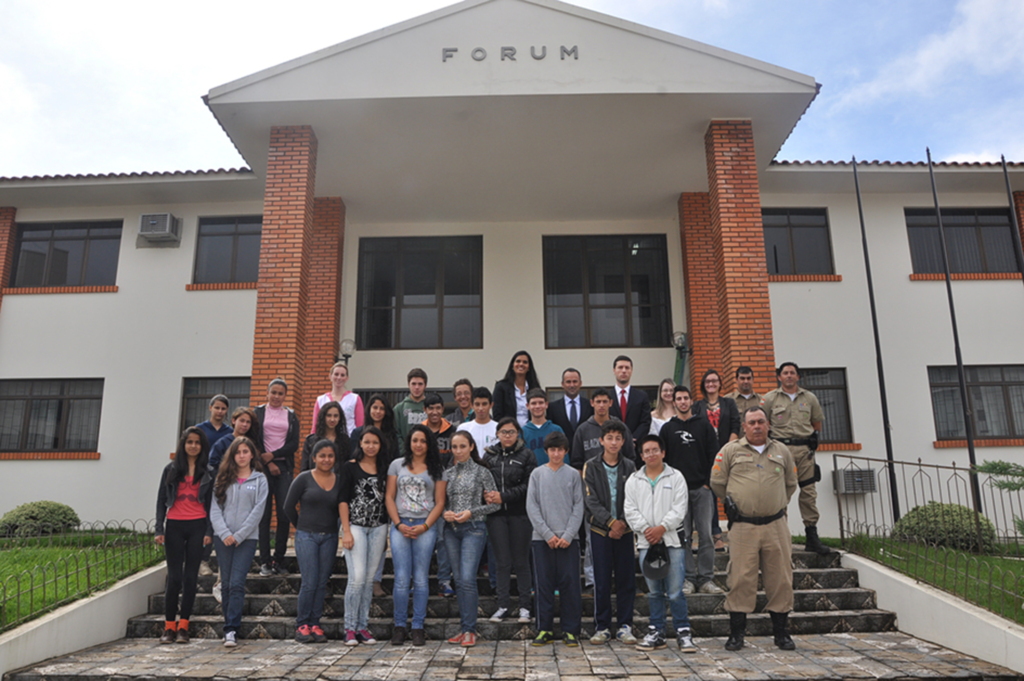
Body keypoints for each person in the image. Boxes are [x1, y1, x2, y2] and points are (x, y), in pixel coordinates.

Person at [710, 407, 798, 651]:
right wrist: (734, 502)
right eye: (752, 423)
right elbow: (717, 482)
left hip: (775, 526)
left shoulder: (782, 451)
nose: (757, 426)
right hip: (743, 526)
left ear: (768, 424)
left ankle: (781, 634)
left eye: (761, 421)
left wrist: (774, 502)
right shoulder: (730, 450)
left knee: (780, 578)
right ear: (744, 427)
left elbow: (790, 484)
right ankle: (737, 635)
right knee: (740, 578)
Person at [624, 434, 696, 653]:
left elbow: (680, 507)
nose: (651, 454)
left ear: (663, 452)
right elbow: (630, 509)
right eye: (646, 451)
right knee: (654, 592)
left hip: (672, 542)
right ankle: (656, 632)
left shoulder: (676, 477)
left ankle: (683, 632)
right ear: (641, 455)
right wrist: (647, 530)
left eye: (655, 450)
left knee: (675, 591)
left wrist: (662, 528)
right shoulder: (634, 480)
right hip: (647, 543)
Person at [385, 424, 447, 646]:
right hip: (401, 525)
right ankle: (400, 626)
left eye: (423, 441)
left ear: (428, 444)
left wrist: (426, 526)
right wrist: (398, 524)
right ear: (409, 442)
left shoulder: (437, 468)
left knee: (421, 578)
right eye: (415, 440)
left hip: (425, 527)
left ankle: (418, 626)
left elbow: (440, 502)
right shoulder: (396, 465)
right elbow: (389, 497)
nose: (418, 445)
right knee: (402, 578)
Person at [760, 362, 829, 555]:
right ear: (779, 377)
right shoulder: (770, 399)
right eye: (785, 373)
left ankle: (811, 535)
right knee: (780, 492)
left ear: (798, 376)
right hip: (780, 450)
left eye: (792, 373)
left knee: (809, 492)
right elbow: (762, 424)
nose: (789, 376)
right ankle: (781, 537)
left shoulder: (809, 398)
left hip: (804, 451)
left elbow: (817, 424)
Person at [660, 386, 722, 595]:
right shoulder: (667, 429)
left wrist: (708, 483)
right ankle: (688, 579)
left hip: (702, 490)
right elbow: (663, 462)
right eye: (679, 399)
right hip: (678, 493)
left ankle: (706, 579)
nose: (683, 402)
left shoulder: (704, 425)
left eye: (686, 398)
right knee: (683, 537)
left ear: (691, 401)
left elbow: (715, 455)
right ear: (674, 402)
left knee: (706, 536)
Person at [155, 426, 213, 644]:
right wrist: (159, 529)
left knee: (190, 578)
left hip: (198, 526)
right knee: (175, 578)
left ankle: (183, 627)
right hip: (175, 526)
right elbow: (161, 500)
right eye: (190, 442)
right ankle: (169, 627)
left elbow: (211, 504)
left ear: (202, 446)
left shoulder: (208, 471)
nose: (193, 446)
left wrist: (209, 531)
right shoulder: (170, 469)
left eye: (197, 442)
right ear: (183, 444)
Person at [527, 431, 584, 648]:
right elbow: (531, 506)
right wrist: (547, 534)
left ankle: (571, 630)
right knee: (543, 585)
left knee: (571, 585)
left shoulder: (573, 475)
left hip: (569, 540)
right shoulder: (537, 474)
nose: (556, 454)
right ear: (546, 451)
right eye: (552, 450)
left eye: (560, 450)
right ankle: (544, 629)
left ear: (566, 451)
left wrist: (568, 534)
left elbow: (578, 506)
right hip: (542, 540)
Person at [583, 419, 637, 645]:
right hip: (600, 530)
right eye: (609, 438)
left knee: (626, 580)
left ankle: (625, 626)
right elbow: (590, 500)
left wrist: (621, 522)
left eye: (618, 438)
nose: (613, 442)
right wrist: (610, 522)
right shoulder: (591, 466)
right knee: (602, 580)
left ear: (623, 441)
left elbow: (634, 497)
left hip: (625, 530)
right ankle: (602, 626)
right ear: (601, 440)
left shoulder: (630, 467)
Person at [209, 436, 267, 648]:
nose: (241, 456)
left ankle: (232, 628)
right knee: (226, 584)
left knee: (236, 583)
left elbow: (258, 511)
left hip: (247, 539)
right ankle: (228, 628)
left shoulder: (260, 480)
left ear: (252, 454)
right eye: (237, 452)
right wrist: (224, 533)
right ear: (232, 456)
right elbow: (215, 509)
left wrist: (240, 535)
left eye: (245, 451)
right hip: (223, 539)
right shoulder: (222, 479)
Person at [443, 431, 500, 647]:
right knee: (459, 580)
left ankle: (470, 630)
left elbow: (495, 505)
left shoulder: (482, 472)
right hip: (451, 530)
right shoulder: (447, 473)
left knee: (467, 579)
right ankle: (465, 627)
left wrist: (471, 512)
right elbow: (440, 503)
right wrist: (445, 513)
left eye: (462, 446)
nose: (458, 451)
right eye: (455, 447)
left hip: (474, 529)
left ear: (471, 447)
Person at [283, 439, 341, 644]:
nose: (326, 459)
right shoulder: (304, 478)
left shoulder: (339, 480)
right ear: (314, 458)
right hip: (306, 536)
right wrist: (300, 526)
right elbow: (288, 506)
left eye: (330, 456)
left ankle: (315, 623)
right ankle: (302, 625)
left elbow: (342, 508)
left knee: (321, 582)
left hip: (330, 537)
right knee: (309, 582)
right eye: (322, 456)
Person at [482, 417, 536, 624]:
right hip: (496, 516)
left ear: (518, 434)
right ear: (497, 434)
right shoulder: (489, 455)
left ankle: (525, 607)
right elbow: (483, 481)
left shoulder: (527, 455)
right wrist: (488, 495)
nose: (507, 436)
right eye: (503, 432)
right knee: (502, 562)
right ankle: (502, 605)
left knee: (521, 562)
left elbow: (528, 486)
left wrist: (504, 497)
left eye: (511, 432)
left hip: (519, 514)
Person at [339, 427, 389, 646]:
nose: (371, 446)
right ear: (360, 443)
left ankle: (362, 627)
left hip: (379, 528)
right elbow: (342, 500)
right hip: (356, 527)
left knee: (369, 580)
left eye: (375, 442)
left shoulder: (385, 468)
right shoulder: (349, 467)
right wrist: (346, 531)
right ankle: (349, 628)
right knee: (357, 578)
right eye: (367, 442)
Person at [351, 393, 400, 597]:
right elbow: (353, 459)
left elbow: (395, 463)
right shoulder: (357, 432)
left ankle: (376, 580)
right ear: (368, 410)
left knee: (380, 540)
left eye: (381, 408)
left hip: (384, 487)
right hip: (362, 493)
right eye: (374, 407)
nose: (378, 411)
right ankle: (360, 579)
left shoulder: (392, 435)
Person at [255, 378, 300, 577]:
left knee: (284, 514)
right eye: (273, 392)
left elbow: (294, 444)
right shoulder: (258, 413)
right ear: (267, 393)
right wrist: (268, 462)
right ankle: (264, 561)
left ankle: (278, 560)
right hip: (262, 467)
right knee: (264, 516)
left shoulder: (291, 415)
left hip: (284, 468)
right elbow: (254, 440)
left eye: (280, 393)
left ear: (285, 396)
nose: (276, 396)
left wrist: (273, 456)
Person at [692, 368, 741, 551]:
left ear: (720, 383)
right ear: (703, 385)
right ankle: (716, 535)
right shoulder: (697, 406)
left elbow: (735, 425)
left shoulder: (729, 403)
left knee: (733, 494)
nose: (711, 384)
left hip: (728, 455)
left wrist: (727, 450)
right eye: (708, 381)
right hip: (706, 458)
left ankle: (736, 532)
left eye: (714, 381)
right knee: (710, 497)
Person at [194, 395, 232, 578]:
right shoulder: (200, 430)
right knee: (205, 518)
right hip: (204, 479)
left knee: (221, 518)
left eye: (223, 409)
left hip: (225, 481)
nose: (220, 411)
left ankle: (224, 560)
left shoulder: (229, 432)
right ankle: (203, 559)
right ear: (210, 408)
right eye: (217, 408)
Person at [423, 392, 455, 597]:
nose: (434, 412)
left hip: (446, 493)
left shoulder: (453, 431)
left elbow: (455, 458)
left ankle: (444, 580)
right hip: (423, 493)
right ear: (425, 410)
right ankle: (420, 580)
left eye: (438, 408)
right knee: (423, 539)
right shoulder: (420, 431)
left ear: (442, 409)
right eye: (430, 408)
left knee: (443, 539)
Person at [570, 388, 634, 470]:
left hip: (618, 474)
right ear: (592, 403)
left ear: (610, 403)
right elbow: (577, 462)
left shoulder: (621, 427)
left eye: (605, 401)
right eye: (598, 402)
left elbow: (630, 456)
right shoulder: (582, 430)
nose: (601, 405)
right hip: (591, 475)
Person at [310, 361, 364, 436]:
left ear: (347, 378)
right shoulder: (321, 400)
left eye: (342, 375)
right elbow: (315, 427)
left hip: (349, 440)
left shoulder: (355, 399)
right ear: (330, 376)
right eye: (336, 374)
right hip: (325, 441)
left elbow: (360, 426)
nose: (339, 377)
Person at [609, 355, 651, 442]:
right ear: (614, 370)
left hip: (635, 444)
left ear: (631, 371)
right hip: (612, 444)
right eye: (620, 367)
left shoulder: (641, 396)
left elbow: (645, 422)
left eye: (627, 368)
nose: (624, 371)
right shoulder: (607, 397)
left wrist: (632, 439)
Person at [492, 350, 541, 426]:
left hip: (531, 430)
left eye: (525, 362)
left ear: (529, 367)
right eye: (518, 361)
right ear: (512, 365)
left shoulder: (535, 388)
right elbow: (497, 415)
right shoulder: (501, 387)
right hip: (508, 430)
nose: (521, 364)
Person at [300, 401, 351, 473]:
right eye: (329, 415)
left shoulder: (345, 440)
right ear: (323, 417)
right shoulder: (311, 441)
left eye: (335, 416)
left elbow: (348, 465)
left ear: (340, 418)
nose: (332, 419)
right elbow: (304, 467)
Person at [209, 406, 261, 473]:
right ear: (234, 421)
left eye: (248, 422)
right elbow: (212, 465)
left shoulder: (252, 443)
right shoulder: (222, 443)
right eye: (242, 421)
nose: (245, 424)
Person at [547, 368, 592, 442]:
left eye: (575, 381)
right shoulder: (552, 407)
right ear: (562, 384)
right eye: (568, 382)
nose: (572, 385)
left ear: (580, 383)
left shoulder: (590, 405)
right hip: (562, 447)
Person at [522, 388, 563, 466]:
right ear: (527, 406)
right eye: (533, 403)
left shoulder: (556, 430)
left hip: (554, 472)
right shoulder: (522, 432)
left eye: (541, 403)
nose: (537, 406)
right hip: (530, 473)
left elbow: (564, 457)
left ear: (546, 405)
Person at [456, 387, 498, 454]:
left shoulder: (498, 428)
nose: (481, 408)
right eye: (477, 404)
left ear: (491, 405)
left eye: (484, 404)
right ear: (472, 405)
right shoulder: (463, 428)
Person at [394, 368, 429, 449]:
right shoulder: (399, 409)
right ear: (408, 385)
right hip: (405, 453)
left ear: (425, 385)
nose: (417, 387)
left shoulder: (432, 407)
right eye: (413, 384)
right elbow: (395, 433)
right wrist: (404, 450)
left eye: (420, 384)